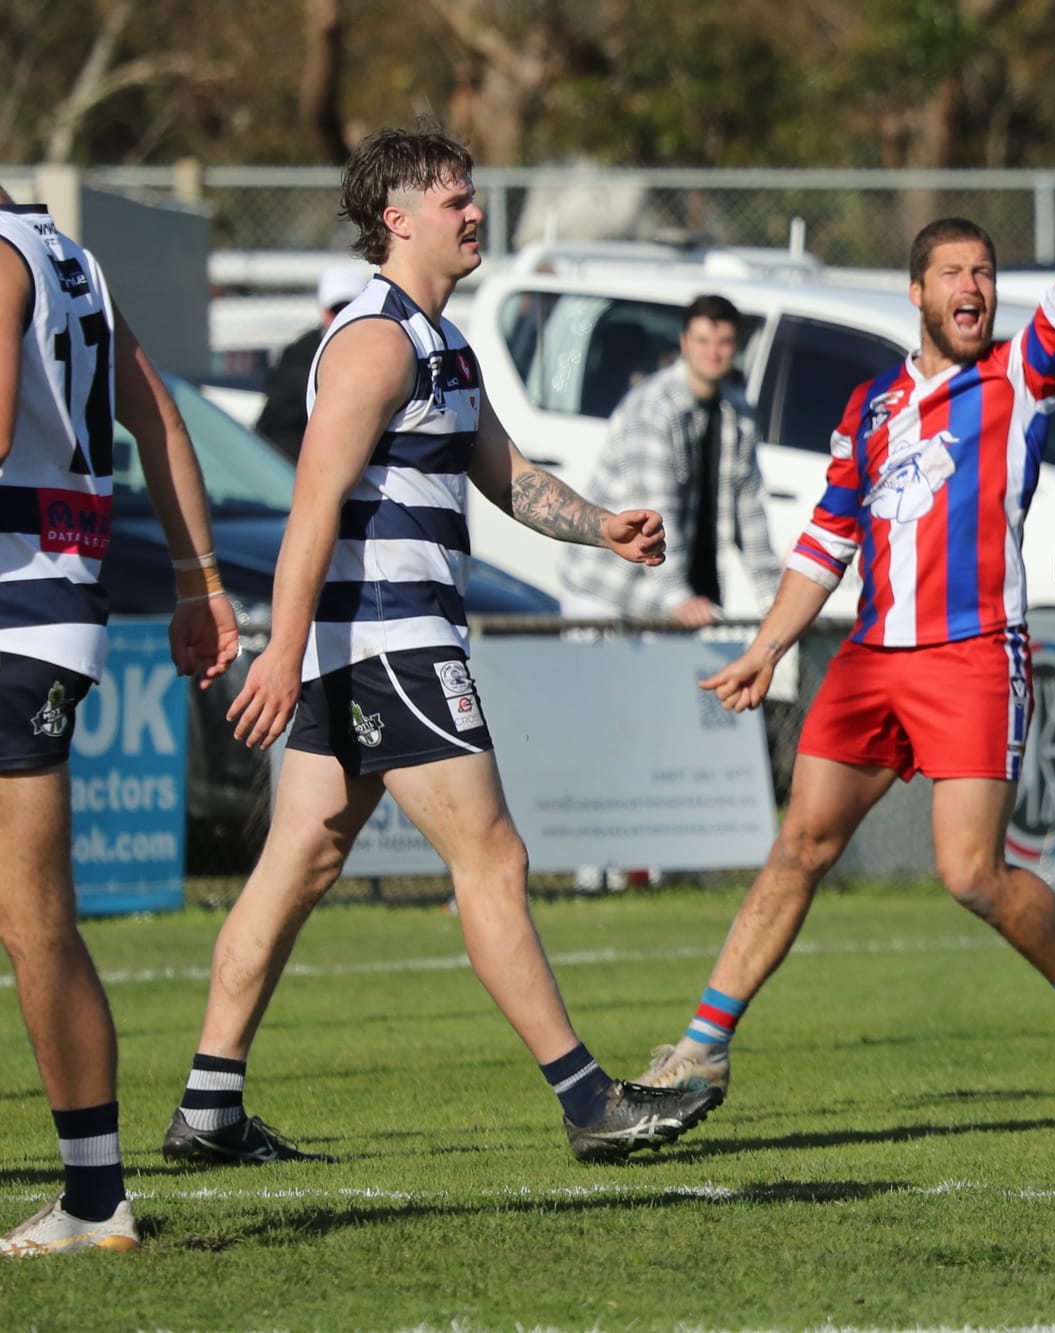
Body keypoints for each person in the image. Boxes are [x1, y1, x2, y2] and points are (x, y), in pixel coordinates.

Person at [160, 126, 715, 1169]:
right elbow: (312, 505)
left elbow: (507, 475)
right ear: (397, 219)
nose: (473, 211)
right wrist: (281, 649)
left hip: (373, 643)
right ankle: (588, 1100)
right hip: (390, 641)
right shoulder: (375, 342)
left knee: (296, 866)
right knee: (493, 858)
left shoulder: (442, 344)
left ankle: (209, 1107)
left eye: (471, 193)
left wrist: (600, 525)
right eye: (453, 199)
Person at [638, 53, 1055, 1118]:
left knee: (969, 873)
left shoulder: (1018, 377)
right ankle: (702, 1049)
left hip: (971, 654)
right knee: (799, 844)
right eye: (953, 273)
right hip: (870, 660)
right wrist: (769, 645)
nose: (973, 287)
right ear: (917, 293)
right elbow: (824, 544)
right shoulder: (869, 408)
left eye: (983, 273)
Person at [0, 189, 239, 1255]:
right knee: (35, 917)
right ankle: (95, 1198)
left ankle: (97, 1197)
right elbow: (163, 419)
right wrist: (200, 583)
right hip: (52, 613)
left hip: (10, 609)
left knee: (34, 918)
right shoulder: (69, 259)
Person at [560, 293, 780, 627]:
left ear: (736, 346)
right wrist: (679, 596)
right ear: (685, 343)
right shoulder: (653, 408)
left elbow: (750, 513)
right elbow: (652, 510)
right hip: (608, 591)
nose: (713, 352)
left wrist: (774, 600)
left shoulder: (739, 414)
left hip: (666, 596)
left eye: (723, 342)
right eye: (703, 341)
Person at [256, 262, 373, 460]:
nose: (343, 317)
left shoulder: (387, 351)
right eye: (337, 310)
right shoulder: (298, 358)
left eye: (351, 309)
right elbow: (274, 431)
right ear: (323, 312)